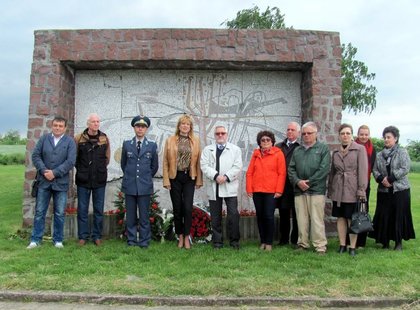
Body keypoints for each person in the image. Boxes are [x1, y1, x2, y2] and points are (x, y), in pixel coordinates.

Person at [27, 116, 76, 249]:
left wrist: (54, 173)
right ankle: (35, 240)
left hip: (61, 183)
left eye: (60, 126)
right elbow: (36, 156)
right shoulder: (44, 139)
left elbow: (70, 161)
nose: (57, 128)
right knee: (40, 212)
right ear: (52, 126)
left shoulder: (70, 142)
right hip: (44, 182)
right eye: (55, 125)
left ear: (65, 128)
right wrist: (44, 170)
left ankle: (58, 240)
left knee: (60, 212)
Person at [370, 126, 415, 250]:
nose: (386, 139)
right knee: (385, 215)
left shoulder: (402, 152)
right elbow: (375, 170)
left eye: (388, 137)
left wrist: (390, 179)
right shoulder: (379, 155)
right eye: (384, 137)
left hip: (400, 190)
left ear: (395, 138)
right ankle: (385, 242)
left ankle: (398, 243)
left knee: (398, 215)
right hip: (384, 190)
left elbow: (405, 168)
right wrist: (381, 179)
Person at [288, 121, 330, 255]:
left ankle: (320, 246)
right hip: (299, 190)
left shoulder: (323, 149)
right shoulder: (297, 150)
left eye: (309, 133)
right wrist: (298, 181)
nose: (306, 136)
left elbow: (324, 169)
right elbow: (291, 169)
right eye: (304, 133)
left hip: (316, 190)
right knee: (301, 219)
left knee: (317, 219)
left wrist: (309, 182)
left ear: (315, 133)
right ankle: (303, 243)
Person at [163, 114, 203, 249]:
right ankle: (179, 236)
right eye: (183, 124)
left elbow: (198, 161)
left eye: (188, 124)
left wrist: (199, 180)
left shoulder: (196, 141)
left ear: (190, 127)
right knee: (177, 208)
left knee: (187, 208)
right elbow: (165, 161)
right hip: (175, 177)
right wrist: (166, 180)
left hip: (189, 178)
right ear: (179, 126)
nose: (185, 126)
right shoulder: (170, 140)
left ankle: (187, 236)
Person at [328, 124, 368, 256]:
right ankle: (342, 244)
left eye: (348, 133)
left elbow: (363, 170)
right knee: (340, 217)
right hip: (338, 188)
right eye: (342, 133)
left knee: (352, 218)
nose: (345, 136)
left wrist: (361, 190)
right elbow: (332, 173)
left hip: (352, 188)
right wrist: (331, 190)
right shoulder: (335, 152)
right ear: (339, 135)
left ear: (352, 136)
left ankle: (352, 246)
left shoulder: (360, 149)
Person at [201, 125, 243, 250]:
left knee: (233, 215)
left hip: (229, 185)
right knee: (215, 216)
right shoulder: (207, 150)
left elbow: (237, 166)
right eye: (217, 133)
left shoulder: (235, 149)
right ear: (214, 135)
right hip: (214, 186)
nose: (220, 135)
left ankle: (234, 242)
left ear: (227, 135)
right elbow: (204, 165)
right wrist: (215, 176)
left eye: (222, 133)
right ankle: (217, 243)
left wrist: (225, 177)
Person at [121, 115, 158, 248]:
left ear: (146, 129)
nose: (140, 129)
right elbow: (123, 164)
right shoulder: (127, 144)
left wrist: (145, 177)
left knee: (144, 215)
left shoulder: (152, 146)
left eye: (143, 127)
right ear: (134, 128)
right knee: (130, 215)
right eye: (138, 126)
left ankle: (144, 241)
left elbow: (154, 167)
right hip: (130, 185)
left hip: (144, 186)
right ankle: (131, 240)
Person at [246, 130, 286, 251]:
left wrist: (279, 190)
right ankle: (262, 241)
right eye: (263, 140)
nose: (265, 142)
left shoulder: (278, 153)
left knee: (268, 216)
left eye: (268, 140)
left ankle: (269, 242)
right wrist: (249, 188)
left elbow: (282, 173)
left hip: (271, 191)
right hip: (257, 190)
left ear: (272, 141)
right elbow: (249, 173)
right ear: (259, 142)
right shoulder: (256, 154)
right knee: (260, 216)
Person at [75, 113, 110, 246]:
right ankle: (83, 236)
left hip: (99, 179)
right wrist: (83, 170)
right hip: (83, 179)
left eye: (98, 121)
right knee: (82, 209)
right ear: (88, 123)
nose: (96, 124)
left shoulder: (104, 138)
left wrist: (98, 169)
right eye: (93, 121)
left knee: (98, 209)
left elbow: (107, 158)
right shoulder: (79, 138)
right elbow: (75, 158)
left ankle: (97, 236)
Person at [275, 121, 300, 246]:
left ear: (298, 133)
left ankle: (295, 240)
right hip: (283, 185)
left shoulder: (300, 147)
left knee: (297, 214)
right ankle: (283, 239)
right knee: (283, 213)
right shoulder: (278, 146)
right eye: (288, 129)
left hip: (296, 186)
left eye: (293, 130)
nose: (290, 132)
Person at [354, 125, 376, 248]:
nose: (364, 137)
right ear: (358, 134)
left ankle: (361, 242)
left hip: (365, 185)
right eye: (361, 134)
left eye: (366, 134)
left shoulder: (372, 149)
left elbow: (372, 167)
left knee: (362, 212)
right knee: (352, 212)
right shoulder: (353, 146)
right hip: (352, 185)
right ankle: (350, 240)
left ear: (369, 135)